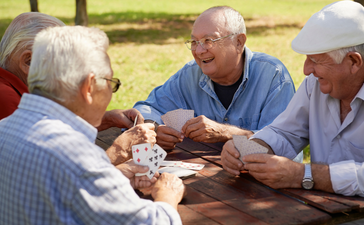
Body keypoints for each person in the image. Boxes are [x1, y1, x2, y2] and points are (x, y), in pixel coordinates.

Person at [221, 1, 364, 224]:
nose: (306, 70)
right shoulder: (315, 84)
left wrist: (303, 175)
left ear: (354, 61)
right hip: (320, 217)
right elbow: (284, 132)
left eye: (315, 60)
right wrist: (248, 148)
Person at [0, 26, 185, 224]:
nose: (110, 92)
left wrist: (115, 176)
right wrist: (167, 194)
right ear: (89, 87)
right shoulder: (77, 155)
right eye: (110, 82)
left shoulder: (5, 128)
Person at [133, 6, 297, 154]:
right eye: (194, 42)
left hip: (260, 182)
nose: (198, 50)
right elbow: (145, 108)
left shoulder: (273, 76)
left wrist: (225, 133)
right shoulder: (190, 75)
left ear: (239, 42)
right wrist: (153, 129)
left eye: (208, 41)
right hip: (205, 181)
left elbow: (281, 147)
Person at [0, 12, 144, 131]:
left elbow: (54, 128)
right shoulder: (7, 99)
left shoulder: (20, 90)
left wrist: (105, 119)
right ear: (28, 62)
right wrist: (120, 150)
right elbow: (51, 155)